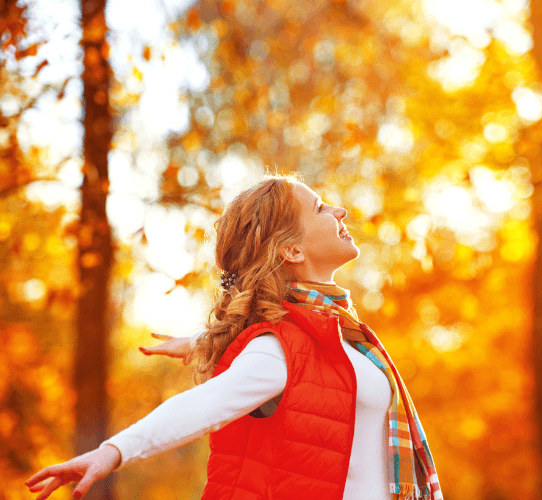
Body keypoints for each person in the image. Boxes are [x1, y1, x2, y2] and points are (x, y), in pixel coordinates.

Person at [25, 175, 442, 500]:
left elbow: (305, 352)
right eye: (319, 208)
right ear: (292, 251)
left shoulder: (341, 334)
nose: (340, 211)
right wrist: (112, 451)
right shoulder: (276, 349)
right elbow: (202, 406)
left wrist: (206, 339)